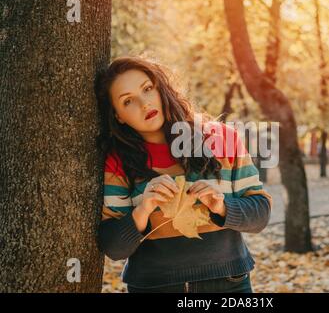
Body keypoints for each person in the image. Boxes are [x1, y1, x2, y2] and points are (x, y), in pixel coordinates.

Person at [94, 56, 272, 293]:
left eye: (147, 89)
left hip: (228, 284)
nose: (144, 103)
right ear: (118, 116)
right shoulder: (118, 162)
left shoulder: (222, 139)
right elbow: (114, 248)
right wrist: (143, 210)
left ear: (161, 88)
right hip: (153, 286)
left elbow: (260, 214)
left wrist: (221, 206)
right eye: (128, 101)